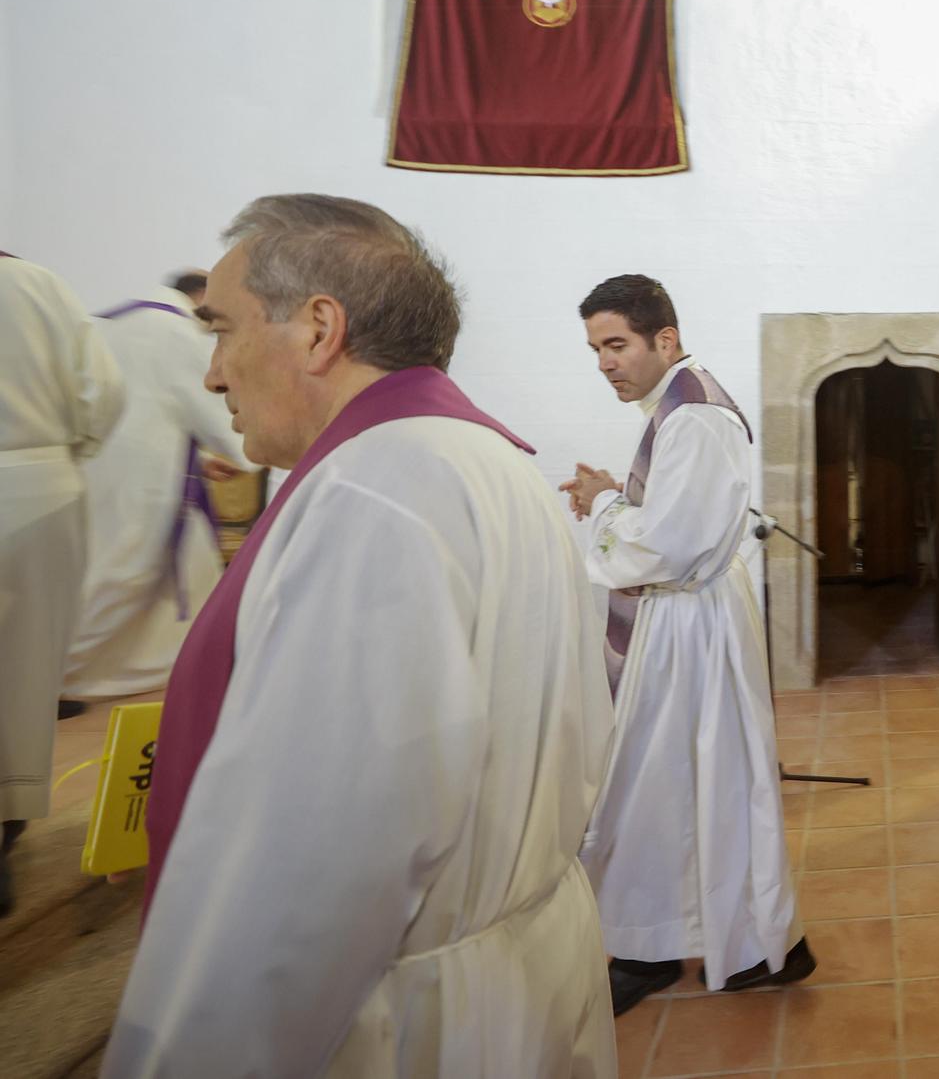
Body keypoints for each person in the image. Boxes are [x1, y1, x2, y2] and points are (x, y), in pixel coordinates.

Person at [107, 195, 615, 1075]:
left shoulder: (372, 494)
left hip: (403, 1025)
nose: (213, 375)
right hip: (517, 972)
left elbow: (301, 869)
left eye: (221, 330)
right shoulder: (488, 461)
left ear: (317, 328)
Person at [565, 274, 812, 1013]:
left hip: (688, 627)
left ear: (663, 339)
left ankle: (677, 945)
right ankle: (706, 938)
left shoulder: (695, 414)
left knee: (663, 782)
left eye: (616, 344)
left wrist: (603, 499)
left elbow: (666, 547)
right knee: (681, 784)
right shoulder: (676, 405)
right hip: (684, 622)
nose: (605, 362)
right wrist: (614, 494)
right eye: (595, 349)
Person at [0, 252, 124, 919]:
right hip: (40, 484)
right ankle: (4, 833)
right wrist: (67, 450)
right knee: (24, 669)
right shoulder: (38, 282)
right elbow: (102, 391)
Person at [68, 274, 247, 701]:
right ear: (202, 302)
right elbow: (239, 436)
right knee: (158, 613)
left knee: (87, 589)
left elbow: (136, 414)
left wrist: (199, 460)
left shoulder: (104, 324)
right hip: (149, 497)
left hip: (88, 484)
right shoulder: (176, 333)